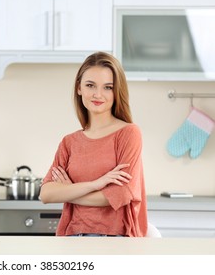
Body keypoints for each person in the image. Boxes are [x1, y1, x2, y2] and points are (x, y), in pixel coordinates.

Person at [40, 52, 147, 237]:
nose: (98, 94)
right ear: (79, 88)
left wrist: (69, 191)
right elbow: (46, 194)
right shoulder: (69, 142)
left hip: (114, 240)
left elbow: (121, 195)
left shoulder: (128, 133)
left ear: (117, 91)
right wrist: (96, 184)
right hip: (72, 238)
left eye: (108, 87)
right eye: (90, 85)